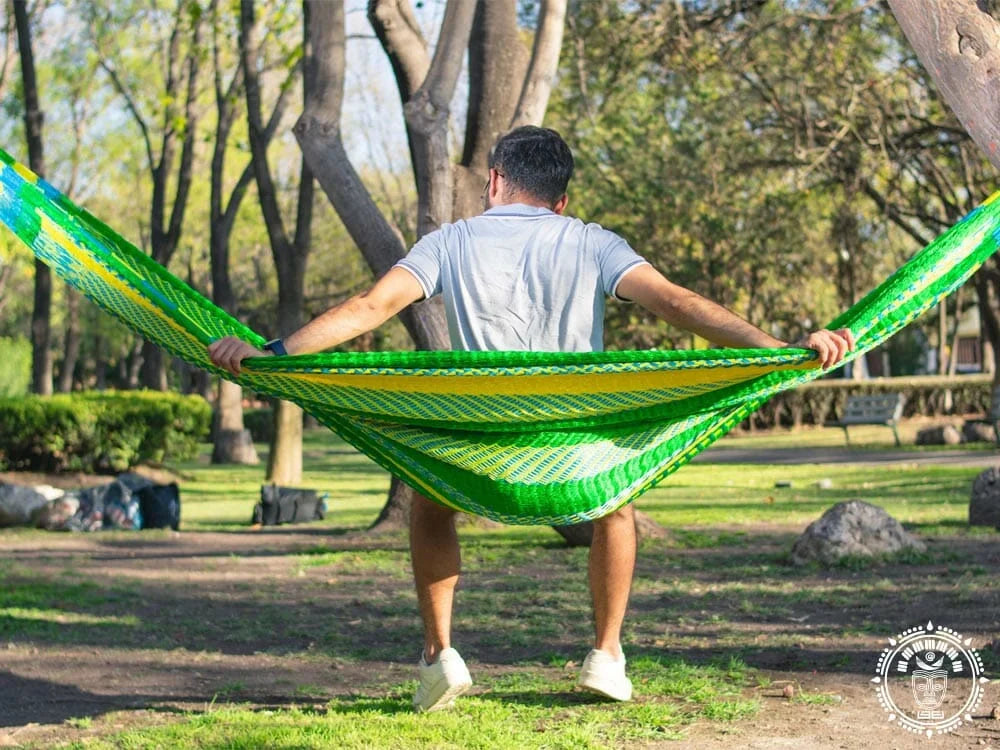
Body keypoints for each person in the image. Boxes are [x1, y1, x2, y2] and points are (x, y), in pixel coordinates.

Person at [209, 125, 854, 713]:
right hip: (574, 457)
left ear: (492, 183)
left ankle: (440, 656)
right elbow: (676, 303)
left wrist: (270, 355)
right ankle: (606, 654)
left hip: (477, 456)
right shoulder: (592, 243)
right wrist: (777, 349)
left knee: (431, 499)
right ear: (561, 201)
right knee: (617, 502)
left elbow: (371, 306)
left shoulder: (450, 241)